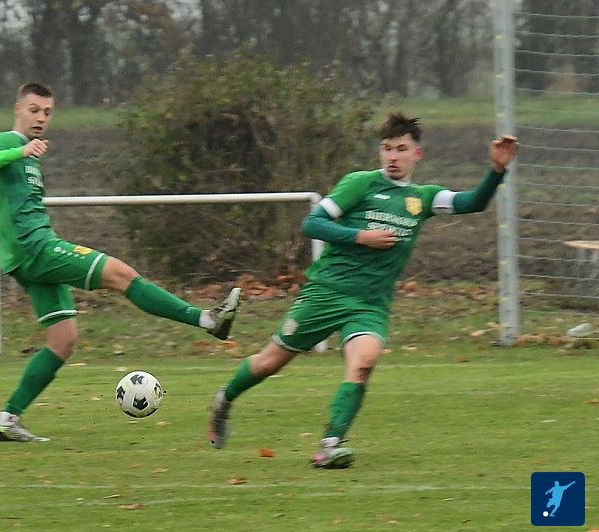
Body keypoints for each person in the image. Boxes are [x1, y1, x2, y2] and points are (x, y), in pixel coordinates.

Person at [207, 112, 519, 468]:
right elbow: (312, 223)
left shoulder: (423, 198)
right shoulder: (361, 183)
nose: (393, 156)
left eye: (401, 149)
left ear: (417, 154)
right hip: (327, 292)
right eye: (387, 148)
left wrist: (497, 170)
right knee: (270, 362)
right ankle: (224, 400)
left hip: (370, 303)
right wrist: (361, 237)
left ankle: (330, 445)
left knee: (364, 363)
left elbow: (473, 203)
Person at [0, 82, 241, 442]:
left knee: (63, 341)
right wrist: (19, 151)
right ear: (18, 109)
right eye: (34, 110)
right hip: (36, 249)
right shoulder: (8, 142)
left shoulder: (30, 154)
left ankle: (6, 420)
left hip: (28, 256)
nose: (41, 118)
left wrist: (25, 154)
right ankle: (208, 320)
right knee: (121, 274)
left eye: (47, 112)